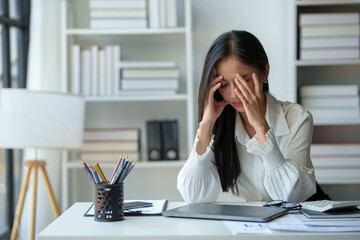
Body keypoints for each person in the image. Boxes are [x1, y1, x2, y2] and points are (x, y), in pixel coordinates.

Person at [177, 30, 316, 203]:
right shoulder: (220, 122)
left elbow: (293, 196)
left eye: (243, 80)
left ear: (264, 72)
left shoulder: (297, 118)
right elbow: (193, 196)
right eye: (224, 84)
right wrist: (206, 125)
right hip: (245, 224)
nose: (234, 94)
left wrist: (261, 127)